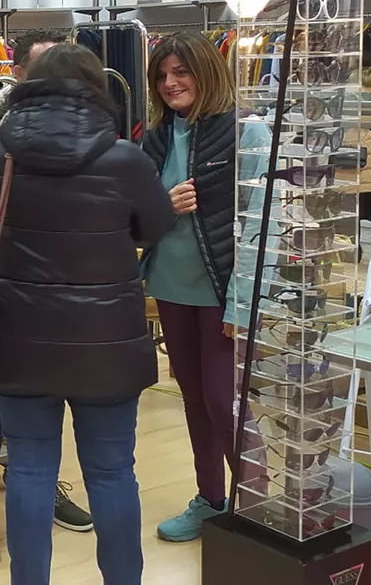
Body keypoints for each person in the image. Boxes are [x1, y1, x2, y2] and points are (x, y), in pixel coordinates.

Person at [0, 43, 175, 585]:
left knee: (29, 471)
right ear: (95, 90)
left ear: (29, 88)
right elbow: (155, 227)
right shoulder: (125, 158)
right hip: (107, 342)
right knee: (113, 473)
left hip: (20, 339)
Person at [0, 30, 94, 567]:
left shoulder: (84, 132)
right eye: (44, 69)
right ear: (18, 75)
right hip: (13, 288)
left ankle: (37, 484)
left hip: (66, 293)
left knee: (46, 402)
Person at [140, 32, 268, 543]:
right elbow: (134, 217)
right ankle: (211, 499)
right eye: (162, 76)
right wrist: (160, 207)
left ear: (206, 72)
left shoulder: (246, 132)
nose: (170, 84)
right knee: (194, 398)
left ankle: (257, 509)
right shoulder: (153, 136)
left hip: (221, 293)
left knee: (223, 401)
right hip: (170, 288)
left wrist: (243, 301)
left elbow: (263, 224)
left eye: (180, 72)